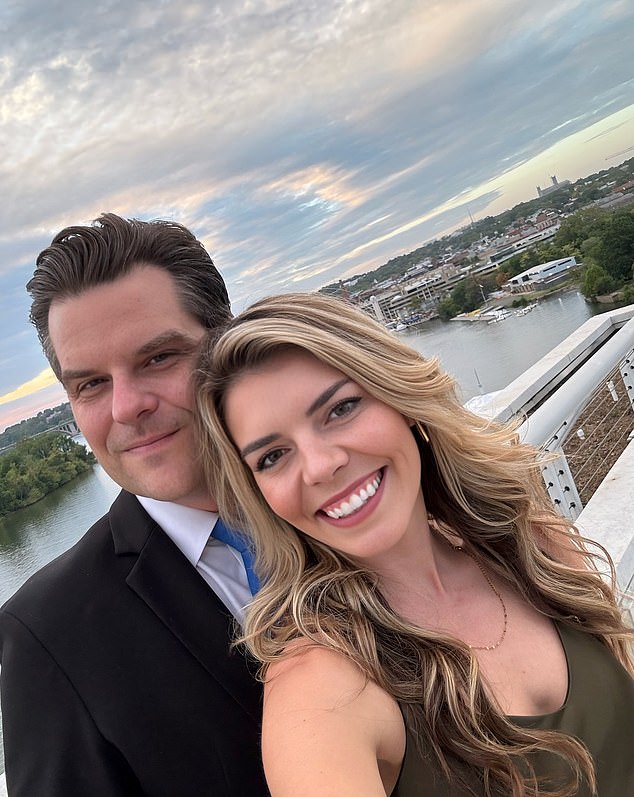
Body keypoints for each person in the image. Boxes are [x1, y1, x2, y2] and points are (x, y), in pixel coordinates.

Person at [195, 292, 634, 797]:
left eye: (341, 409)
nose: (319, 466)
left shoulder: (530, 542)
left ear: (400, 399)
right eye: (273, 456)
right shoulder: (320, 688)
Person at [0, 214, 270, 796]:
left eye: (157, 358)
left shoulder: (350, 501)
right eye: (91, 384)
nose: (126, 407)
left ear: (227, 346)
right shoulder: (50, 634)